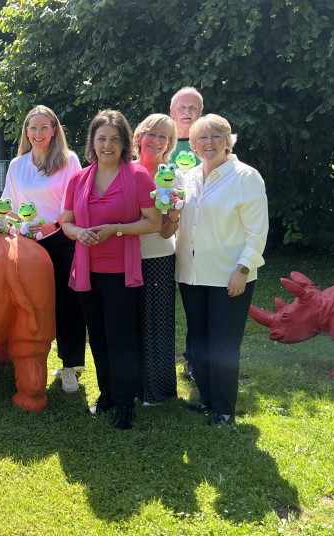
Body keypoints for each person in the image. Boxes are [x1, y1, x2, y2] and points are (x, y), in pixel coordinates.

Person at [62, 110, 161, 429]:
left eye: (114, 139)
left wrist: (115, 229)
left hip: (120, 272)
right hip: (86, 271)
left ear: (124, 143)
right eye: (101, 138)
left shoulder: (138, 176)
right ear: (92, 142)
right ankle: (106, 394)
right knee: (98, 337)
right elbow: (66, 222)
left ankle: (124, 402)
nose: (107, 145)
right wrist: (79, 233)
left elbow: (153, 222)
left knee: (119, 339)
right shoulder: (78, 179)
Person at [175, 114, 268, 426]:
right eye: (202, 137)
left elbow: (257, 231)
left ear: (228, 141)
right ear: (193, 144)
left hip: (230, 276)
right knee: (199, 340)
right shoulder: (187, 177)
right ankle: (206, 397)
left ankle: (225, 409)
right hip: (191, 275)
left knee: (223, 344)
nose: (209, 143)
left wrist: (243, 268)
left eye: (216, 136)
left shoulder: (245, 177)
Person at [1, 105, 85, 393]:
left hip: (62, 240)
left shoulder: (69, 160)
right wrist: (18, 226)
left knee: (68, 303)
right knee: (29, 304)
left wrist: (52, 225)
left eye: (44, 127)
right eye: (33, 128)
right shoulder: (17, 165)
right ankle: (27, 357)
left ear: (54, 130)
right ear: (26, 131)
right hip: (27, 243)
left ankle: (70, 366)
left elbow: (74, 201)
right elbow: (9, 206)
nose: (38, 133)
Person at [133, 114, 181, 406]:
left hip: (159, 257)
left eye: (164, 136)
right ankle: (134, 386)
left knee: (158, 324)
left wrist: (173, 216)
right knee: (131, 323)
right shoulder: (126, 170)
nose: (156, 140)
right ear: (139, 136)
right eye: (151, 133)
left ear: (170, 143)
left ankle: (157, 390)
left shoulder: (174, 176)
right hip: (126, 258)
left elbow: (166, 232)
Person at [170, 86, 204, 382]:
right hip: (161, 236)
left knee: (196, 306)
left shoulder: (208, 143)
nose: (187, 112)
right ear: (171, 112)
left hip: (197, 238)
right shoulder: (160, 141)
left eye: (193, 107)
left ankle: (194, 360)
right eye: (181, 107)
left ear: (201, 113)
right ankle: (156, 362)